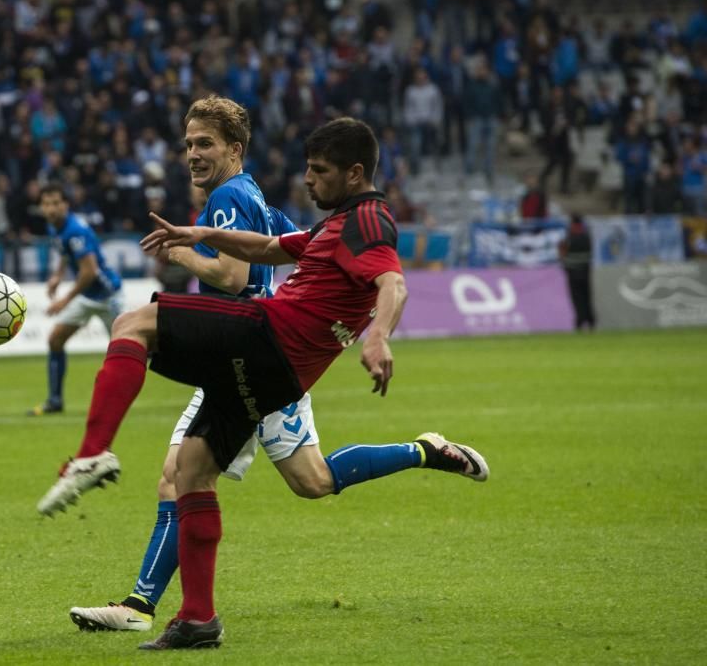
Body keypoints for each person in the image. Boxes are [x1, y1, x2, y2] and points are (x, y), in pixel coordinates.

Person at [37, 117, 490, 650]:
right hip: (277, 374)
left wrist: (379, 338)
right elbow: (272, 248)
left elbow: (392, 281)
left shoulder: (368, 219)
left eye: (319, 172)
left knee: (133, 325)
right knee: (197, 471)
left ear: (355, 172)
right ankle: (198, 619)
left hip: (267, 338)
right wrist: (202, 234)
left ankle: (92, 454)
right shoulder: (336, 222)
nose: (307, 180)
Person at [64, 95, 324, 633]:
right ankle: (144, 607)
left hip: (245, 357)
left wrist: (179, 252)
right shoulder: (251, 193)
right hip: (253, 353)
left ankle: (151, 608)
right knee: (302, 478)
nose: (192, 154)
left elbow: (228, 276)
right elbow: (300, 244)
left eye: (204, 143)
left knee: (195, 476)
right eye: (187, 144)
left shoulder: (228, 195)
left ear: (235, 148)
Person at [26, 184, 123, 415]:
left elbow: (89, 272)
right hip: (88, 295)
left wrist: (64, 300)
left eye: (55, 203)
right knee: (55, 340)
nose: (51, 208)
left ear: (65, 205)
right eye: (46, 204)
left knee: (132, 349)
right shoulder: (55, 228)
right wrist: (58, 276)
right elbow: (64, 254)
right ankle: (55, 400)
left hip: (108, 295)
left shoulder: (75, 230)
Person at [560, 214, 595, 331]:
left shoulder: (570, 238)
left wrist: (561, 250)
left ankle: (580, 320)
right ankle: (590, 321)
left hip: (574, 273)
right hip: (585, 272)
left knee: (577, 298)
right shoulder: (587, 237)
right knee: (587, 297)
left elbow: (564, 255)